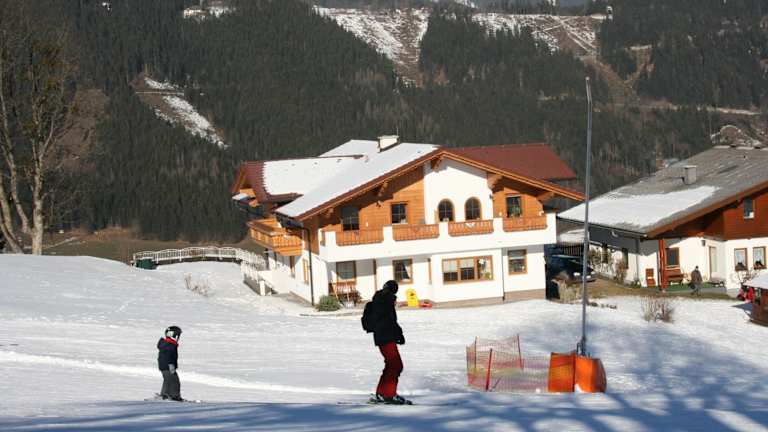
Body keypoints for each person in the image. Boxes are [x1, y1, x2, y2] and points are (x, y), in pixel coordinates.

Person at [369, 280, 410, 405]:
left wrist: (398, 334)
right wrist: (399, 334)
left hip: (382, 337)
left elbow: (389, 321)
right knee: (396, 365)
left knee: (390, 365)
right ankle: (389, 394)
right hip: (386, 338)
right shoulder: (385, 300)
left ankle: (382, 393)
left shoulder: (380, 300)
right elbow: (390, 321)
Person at [157, 326, 183, 401]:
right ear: (174, 335)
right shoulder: (169, 344)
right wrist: (171, 364)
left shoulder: (167, 343)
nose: (179, 337)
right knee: (174, 381)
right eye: (178, 335)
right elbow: (168, 355)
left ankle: (164, 395)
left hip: (164, 366)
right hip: (167, 366)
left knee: (167, 380)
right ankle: (174, 396)